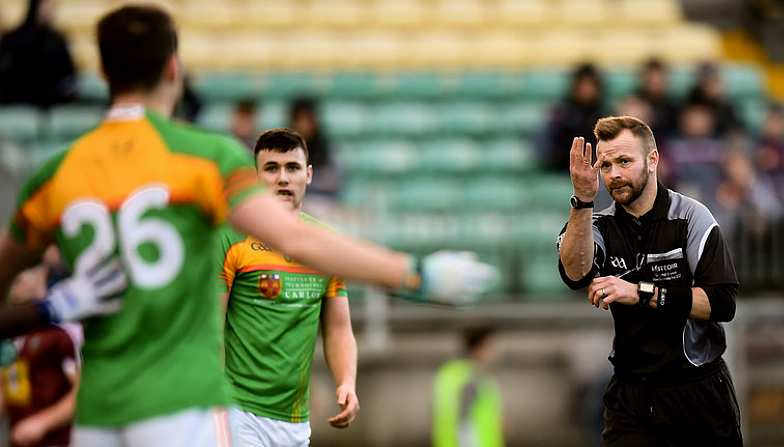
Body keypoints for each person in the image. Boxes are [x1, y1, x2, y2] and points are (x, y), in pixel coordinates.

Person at [0, 5, 496, 446]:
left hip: (101, 411)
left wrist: (43, 310)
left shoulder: (56, 173)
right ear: (174, 69)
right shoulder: (203, 158)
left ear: (103, 70)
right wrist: (416, 275)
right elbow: (297, 238)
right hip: (182, 404)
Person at [558, 116, 742, 445]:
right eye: (606, 165)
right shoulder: (599, 223)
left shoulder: (690, 217)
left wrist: (641, 293)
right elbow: (575, 274)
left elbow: (722, 303)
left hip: (699, 389)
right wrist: (583, 201)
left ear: (653, 159)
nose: (614, 174)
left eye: (624, 161)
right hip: (632, 395)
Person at [219, 129, 358, 446]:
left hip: (294, 421)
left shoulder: (325, 244)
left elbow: (338, 328)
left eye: (292, 168)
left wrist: (347, 382)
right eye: (271, 168)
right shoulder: (230, 237)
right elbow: (210, 327)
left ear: (308, 175)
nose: (283, 178)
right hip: (238, 412)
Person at [1, 249, 82, 447]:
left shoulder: (60, 334)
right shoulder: (12, 337)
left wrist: (42, 423)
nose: (14, 284)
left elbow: (84, 390)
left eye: (19, 278)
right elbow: (9, 387)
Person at [433, 327, 503, 447]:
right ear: (478, 348)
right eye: (491, 347)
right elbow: (464, 421)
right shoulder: (472, 377)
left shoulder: (452, 373)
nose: (495, 352)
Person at [0, 0, 76, 108]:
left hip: (52, 99)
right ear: (37, 6)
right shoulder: (14, 38)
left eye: (53, 7)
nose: (51, 11)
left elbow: (68, 72)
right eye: (47, 6)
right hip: (18, 100)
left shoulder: (57, 39)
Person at [540, 63, 606, 172]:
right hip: (561, 171)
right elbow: (547, 149)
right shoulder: (560, 115)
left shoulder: (604, 116)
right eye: (582, 84)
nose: (586, 90)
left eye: (590, 85)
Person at [288, 97, 338, 197]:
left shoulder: (325, 148)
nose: (304, 125)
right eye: (299, 120)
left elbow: (333, 181)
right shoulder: (285, 148)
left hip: (321, 201)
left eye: (307, 119)